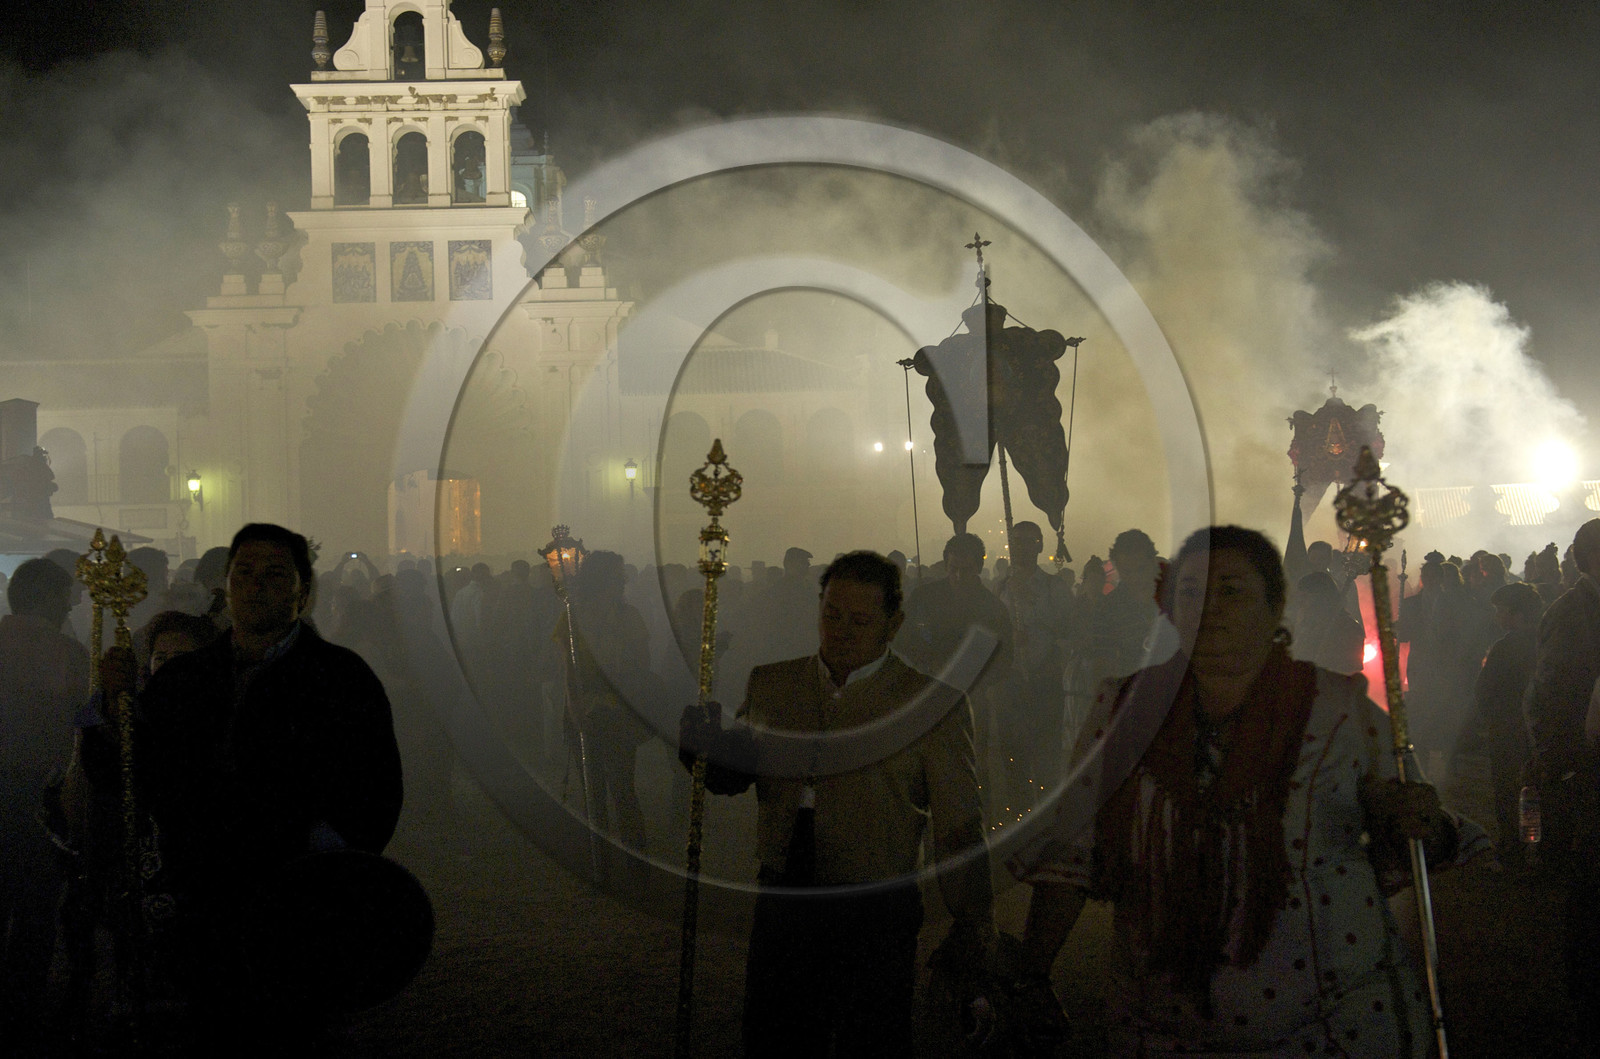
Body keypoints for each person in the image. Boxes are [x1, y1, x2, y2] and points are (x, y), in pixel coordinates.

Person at [1013, 526, 1473, 1057]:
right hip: (1160, 1025)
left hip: (1333, 1025)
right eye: (1189, 592)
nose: (1208, 607)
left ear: (1275, 607)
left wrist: (1414, 820)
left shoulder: (1340, 712)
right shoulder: (1124, 710)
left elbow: (1423, 843)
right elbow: (1074, 850)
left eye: (1230, 589)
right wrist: (1030, 972)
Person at [680, 550, 994, 1057]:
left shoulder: (930, 705)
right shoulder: (774, 685)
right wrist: (704, 752)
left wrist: (974, 924)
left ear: (893, 626)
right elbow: (737, 775)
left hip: (876, 907)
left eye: (859, 620)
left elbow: (959, 828)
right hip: (784, 897)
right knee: (776, 1036)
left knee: (869, 1040)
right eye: (831, 615)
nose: (841, 631)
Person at [107, 523, 404, 1036]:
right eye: (243, 572)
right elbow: (133, 774)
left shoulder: (340, 678)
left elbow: (375, 787)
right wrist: (113, 711)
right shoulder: (183, 679)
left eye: (274, 574)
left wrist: (326, 853)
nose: (255, 585)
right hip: (201, 897)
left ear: (302, 593)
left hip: (295, 893)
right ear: (225, 586)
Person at [0, 558, 91, 1047]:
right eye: (67, 595)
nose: (73, 603)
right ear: (51, 599)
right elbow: (81, 721)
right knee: (36, 912)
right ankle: (22, 1013)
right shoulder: (66, 653)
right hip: (42, 796)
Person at [1523, 517, 1600, 1049]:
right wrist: (1560, 764)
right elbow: (1550, 694)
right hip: (1587, 761)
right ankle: (1587, 999)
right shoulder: (1575, 612)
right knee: (1590, 875)